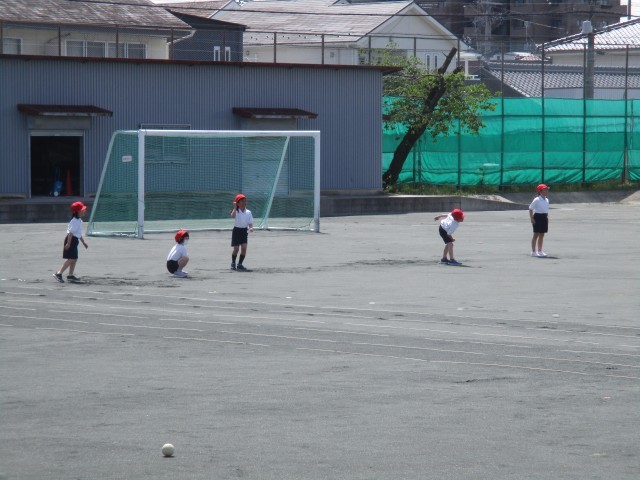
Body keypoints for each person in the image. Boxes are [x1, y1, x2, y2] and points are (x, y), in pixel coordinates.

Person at [53, 201, 89, 283]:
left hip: (74, 240)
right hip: (71, 240)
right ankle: (58, 273)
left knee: (74, 259)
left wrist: (84, 242)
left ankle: (70, 275)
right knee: (71, 259)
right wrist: (68, 243)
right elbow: (70, 233)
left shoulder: (79, 220)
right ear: (78, 212)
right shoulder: (74, 221)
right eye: (82, 210)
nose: (84, 211)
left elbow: (78, 234)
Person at [230, 193, 253, 271]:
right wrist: (235, 207)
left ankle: (240, 264)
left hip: (244, 231)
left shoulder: (248, 212)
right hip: (236, 231)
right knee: (236, 249)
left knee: (244, 248)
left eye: (245, 200)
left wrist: (251, 228)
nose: (244, 202)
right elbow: (232, 216)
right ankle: (233, 263)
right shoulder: (236, 211)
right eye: (242, 200)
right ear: (238, 202)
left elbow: (250, 222)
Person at [529, 184, 550, 257]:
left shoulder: (547, 200)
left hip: (544, 217)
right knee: (536, 234)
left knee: (542, 234)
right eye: (545, 189)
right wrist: (532, 218)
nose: (546, 191)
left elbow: (546, 209)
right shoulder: (537, 199)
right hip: (537, 217)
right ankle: (533, 251)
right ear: (540, 191)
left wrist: (546, 217)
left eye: (547, 189)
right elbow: (531, 208)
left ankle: (540, 250)